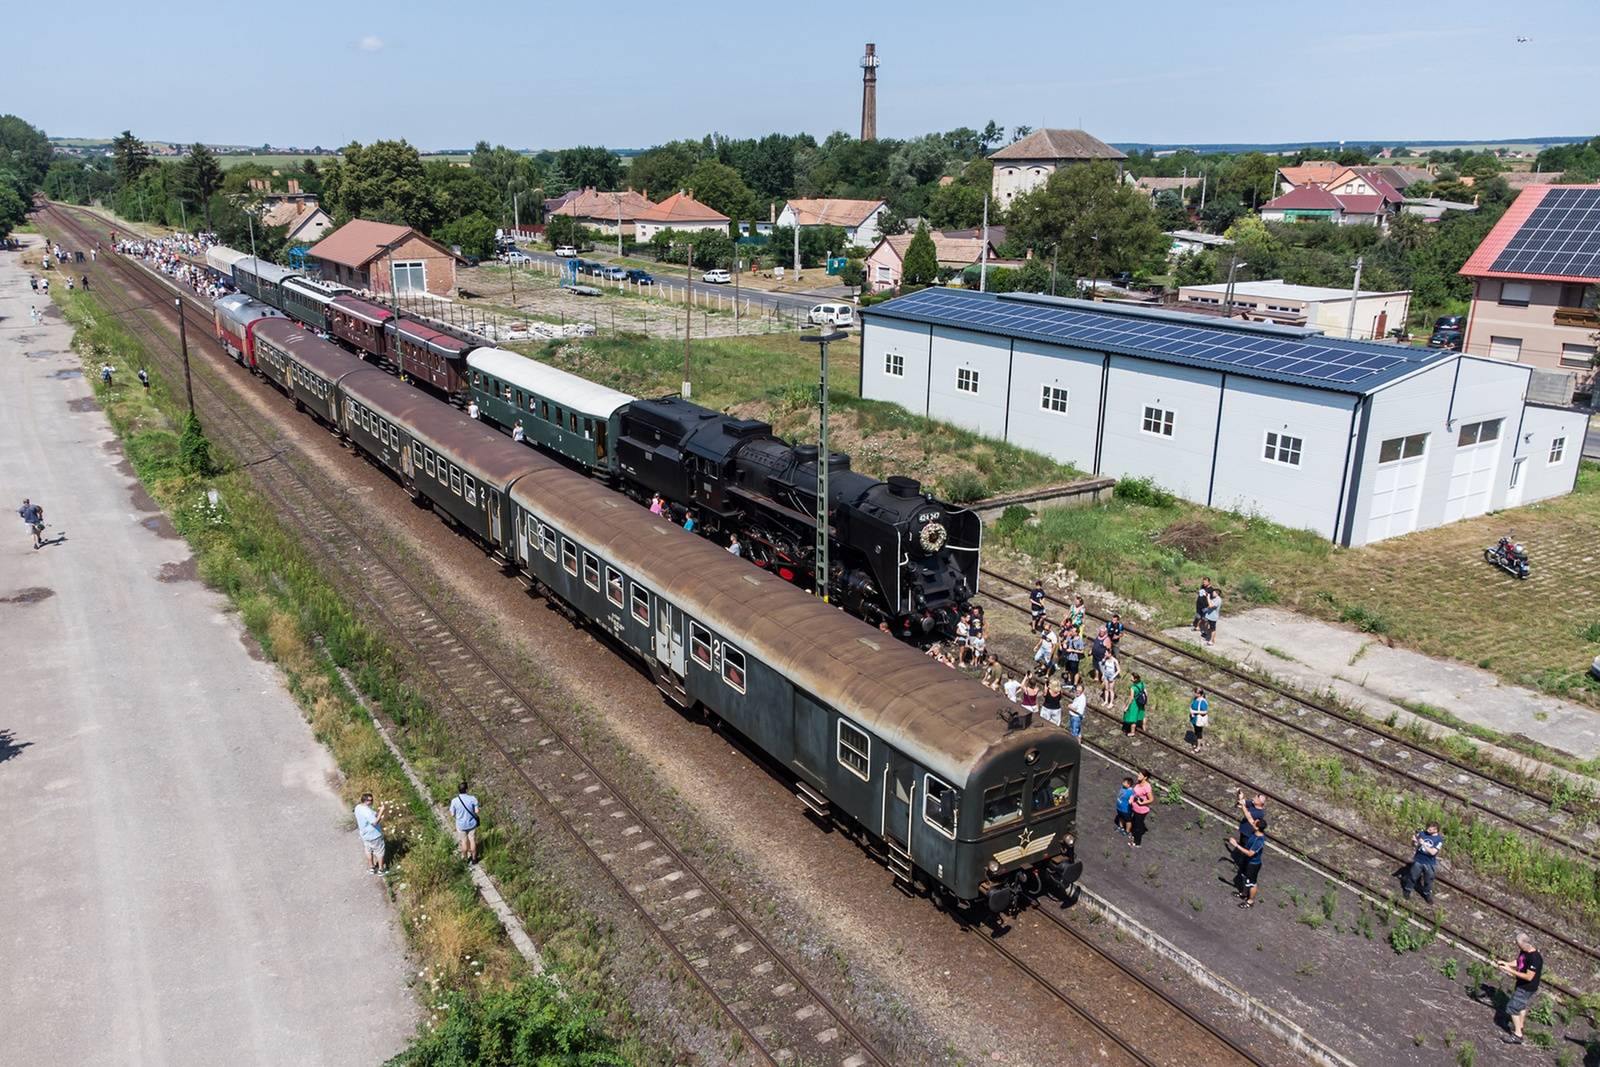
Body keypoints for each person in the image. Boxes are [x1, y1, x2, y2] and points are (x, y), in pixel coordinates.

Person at [1495, 934, 1543, 1044]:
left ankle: (1517, 1035)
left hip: (1526, 987)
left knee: (1512, 1007)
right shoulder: (1525, 952)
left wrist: (1509, 971)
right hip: (1522, 985)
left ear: (1526, 944)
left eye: (1519, 946)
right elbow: (1519, 961)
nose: (1518, 947)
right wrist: (1506, 964)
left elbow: (1529, 977)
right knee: (1521, 1006)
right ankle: (1520, 1026)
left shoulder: (1535, 958)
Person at [1227, 817, 1264, 907]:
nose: (1252, 823)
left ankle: (1250, 901)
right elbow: (1249, 818)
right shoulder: (1254, 832)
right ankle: (1244, 893)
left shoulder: (1259, 840)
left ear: (1257, 828)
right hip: (1246, 860)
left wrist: (1236, 845)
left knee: (1252, 882)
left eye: (1254, 823)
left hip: (1253, 864)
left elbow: (1250, 853)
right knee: (1244, 876)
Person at [1401, 823, 1443, 904]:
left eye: (1430, 830)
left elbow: (1433, 852)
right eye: (1428, 829)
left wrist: (1423, 843)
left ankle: (1426, 894)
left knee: (1428, 880)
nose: (1427, 830)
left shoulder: (1439, 840)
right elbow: (1414, 845)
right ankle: (1407, 890)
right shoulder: (1422, 833)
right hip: (1418, 860)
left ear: (1435, 830)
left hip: (1429, 863)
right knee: (1413, 876)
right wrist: (1414, 842)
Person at [354, 793, 388, 874]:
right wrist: (381, 812)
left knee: (368, 851)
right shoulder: (368, 812)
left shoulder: (358, 807)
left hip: (364, 835)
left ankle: (372, 867)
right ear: (366, 801)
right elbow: (375, 823)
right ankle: (380, 870)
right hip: (374, 836)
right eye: (371, 800)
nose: (373, 801)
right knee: (379, 852)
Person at [449, 782, 481, 863]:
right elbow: (477, 811)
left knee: (463, 841)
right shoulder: (473, 799)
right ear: (467, 790)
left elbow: (452, 814)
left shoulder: (454, 801)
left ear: (459, 791)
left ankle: (466, 858)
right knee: (472, 840)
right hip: (471, 824)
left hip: (461, 825)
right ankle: (474, 858)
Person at [1129, 771, 1153, 847]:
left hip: (1141, 810)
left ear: (1145, 777)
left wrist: (1141, 803)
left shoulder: (1147, 787)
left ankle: (1137, 842)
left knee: (1138, 826)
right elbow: (1135, 792)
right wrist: (1131, 798)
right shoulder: (1138, 782)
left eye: (1140, 775)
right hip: (1135, 808)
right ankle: (1134, 835)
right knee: (1134, 822)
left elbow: (1151, 799)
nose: (1138, 776)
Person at [1189, 687, 1209, 752]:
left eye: (1197, 693)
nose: (1196, 694)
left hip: (1198, 719)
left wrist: (1195, 712)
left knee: (1199, 733)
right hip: (1194, 718)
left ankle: (1199, 746)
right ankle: (1195, 743)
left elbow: (1205, 711)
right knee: (1195, 731)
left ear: (1200, 694)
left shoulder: (1202, 701)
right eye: (1195, 692)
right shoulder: (1195, 699)